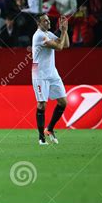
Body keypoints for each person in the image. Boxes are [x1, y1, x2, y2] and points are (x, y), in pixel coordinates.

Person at [32, 14, 69, 145]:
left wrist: (65, 30)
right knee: (42, 104)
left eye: (48, 20)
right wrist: (63, 31)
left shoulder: (48, 33)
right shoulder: (39, 36)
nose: (48, 22)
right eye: (45, 21)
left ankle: (50, 129)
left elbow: (65, 45)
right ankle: (41, 137)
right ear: (38, 23)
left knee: (63, 102)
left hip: (52, 72)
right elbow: (59, 47)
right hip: (40, 74)